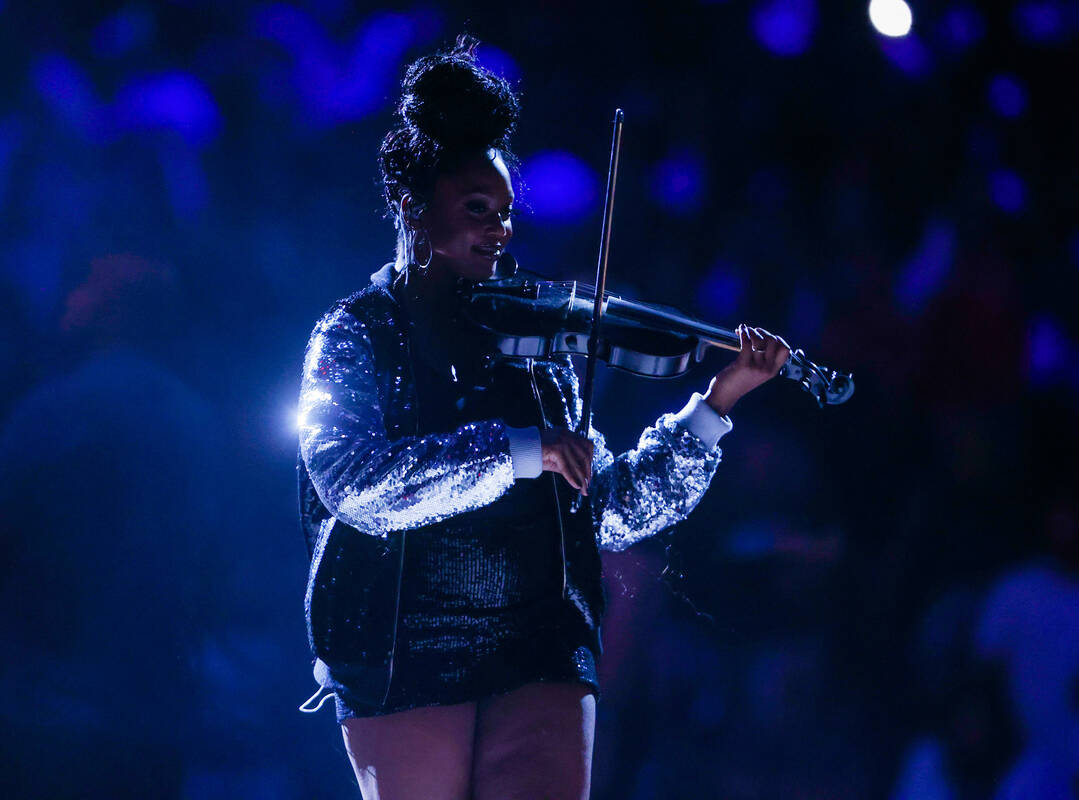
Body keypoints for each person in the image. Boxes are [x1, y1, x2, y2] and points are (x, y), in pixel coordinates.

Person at [296, 36, 791, 800]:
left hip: (542, 639)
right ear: (410, 207)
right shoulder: (356, 332)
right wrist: (516, 451)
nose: (500, 232)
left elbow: (610, 509)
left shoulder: (537, 347)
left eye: (504, 213)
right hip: (401, 643)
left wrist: (715, 407)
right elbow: (355, 485)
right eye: (475, 210)